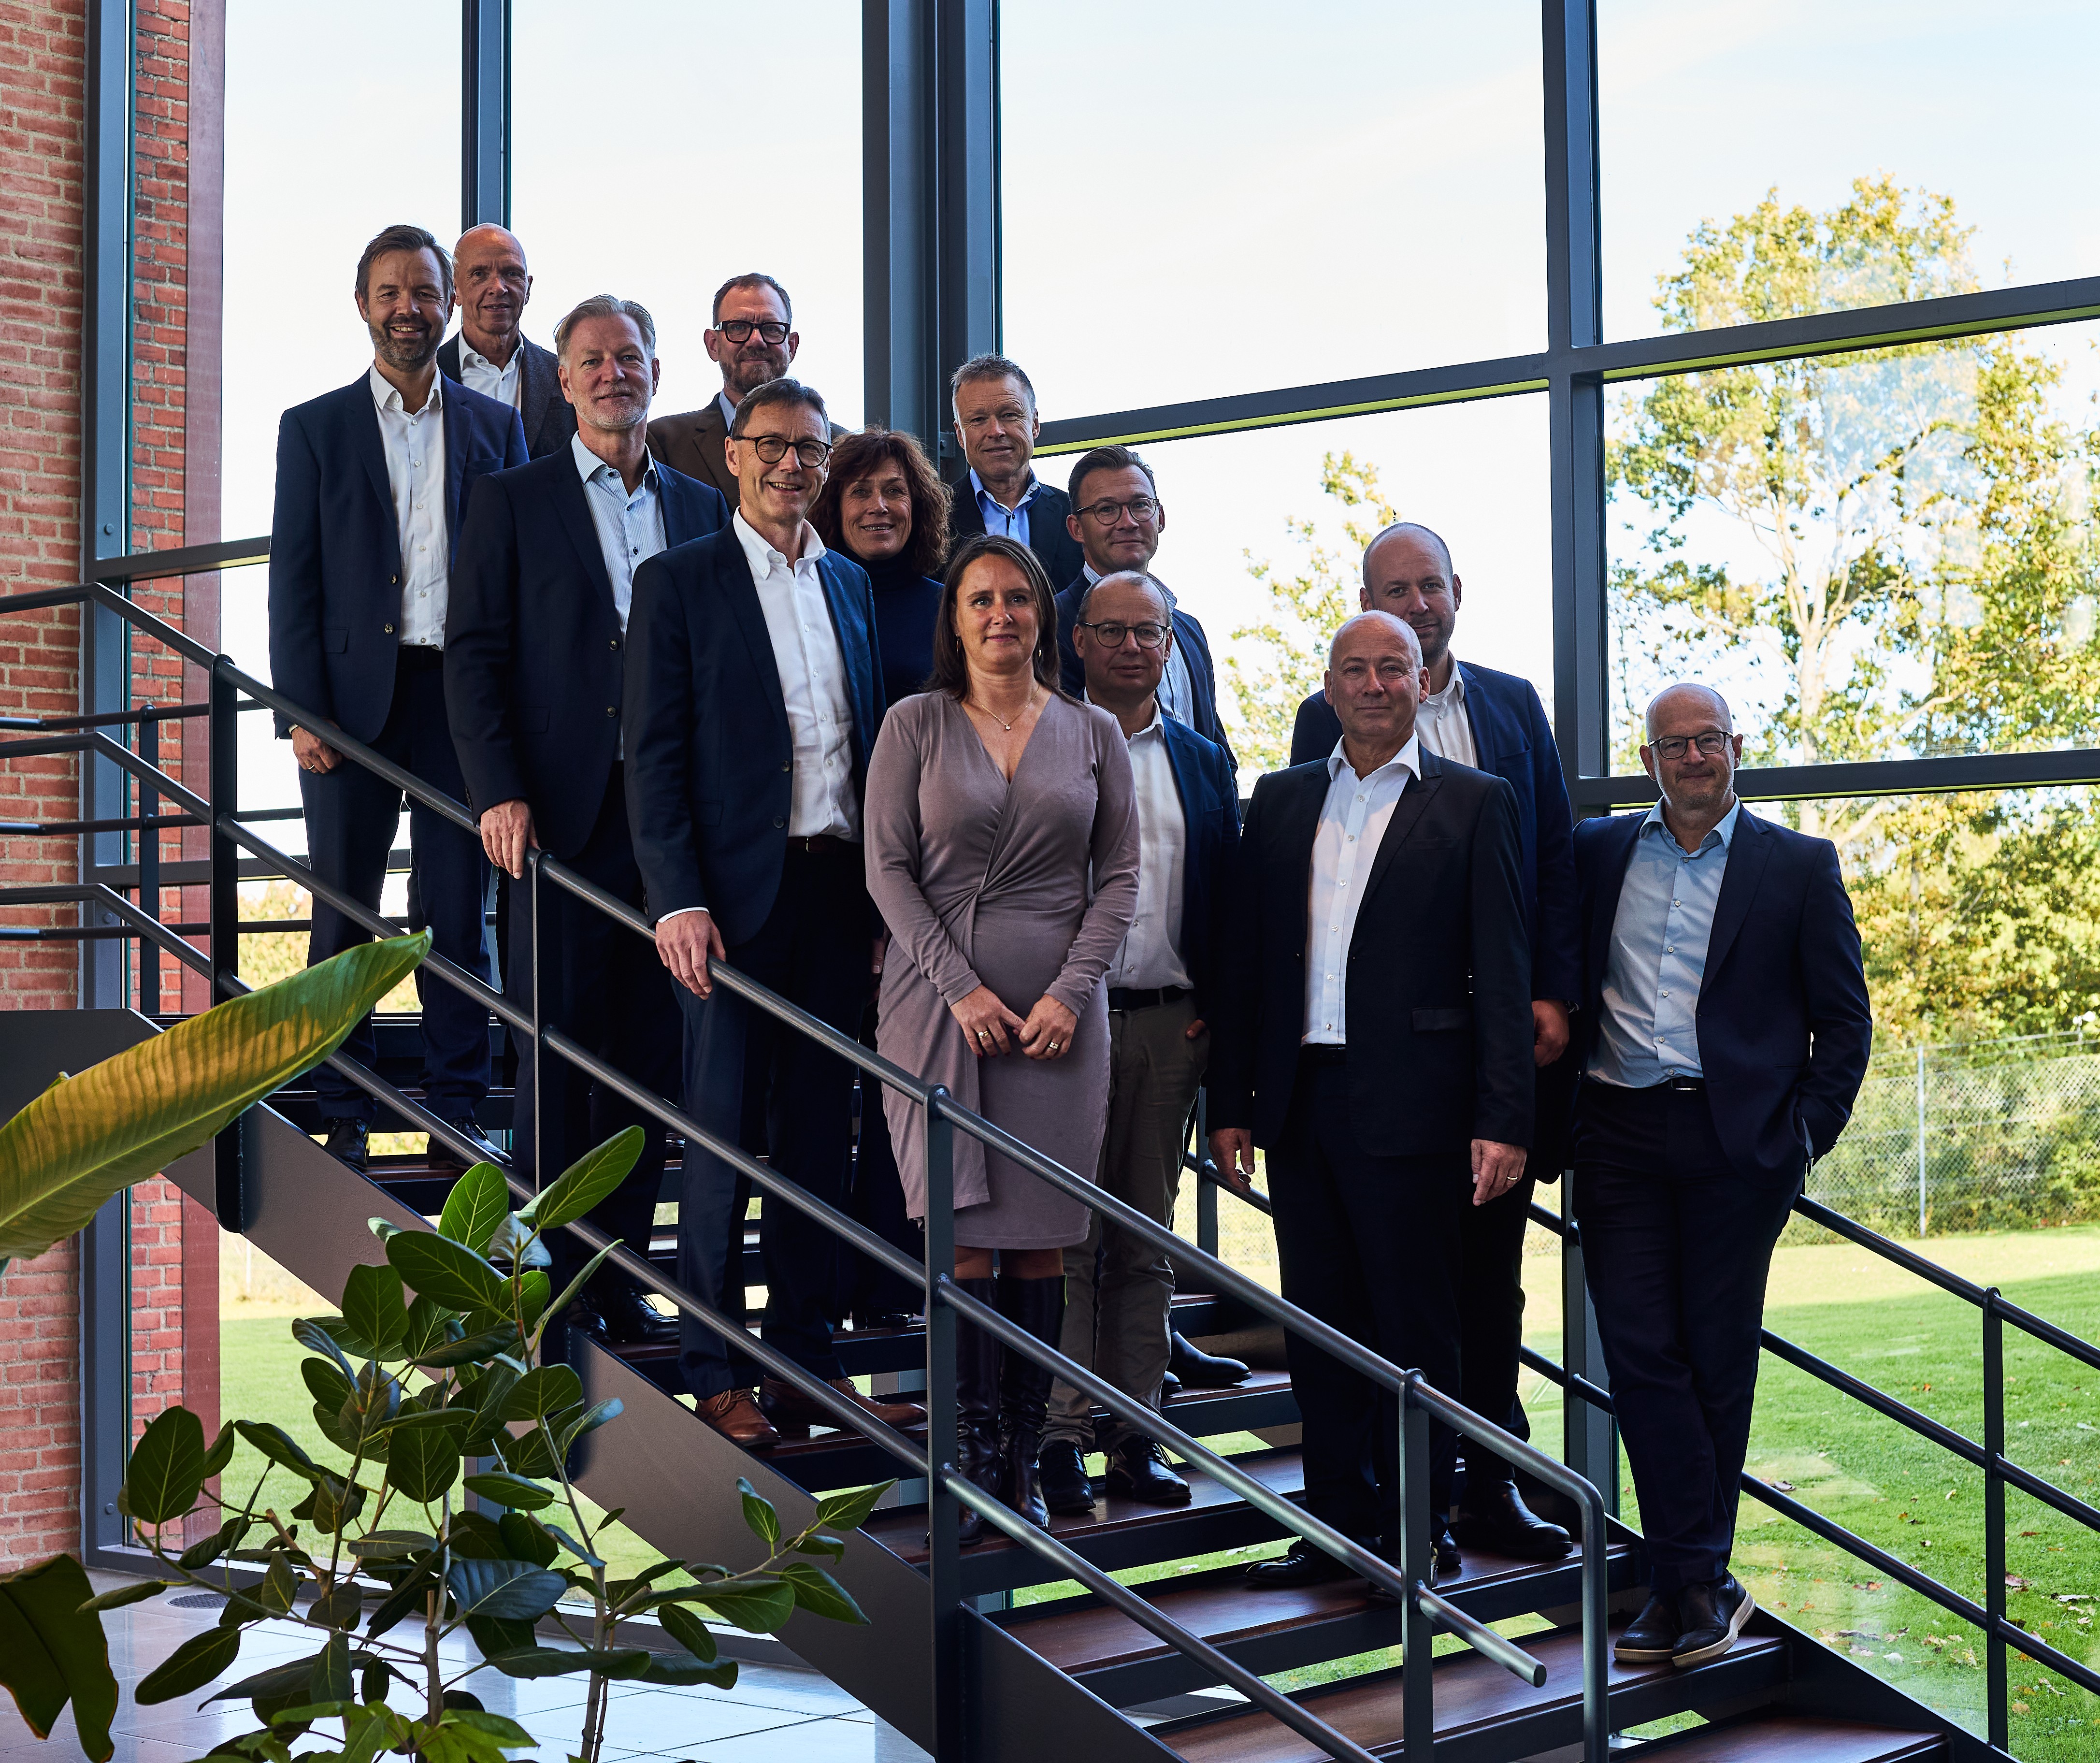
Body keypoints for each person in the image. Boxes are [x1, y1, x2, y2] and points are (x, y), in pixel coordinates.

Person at [624, 376, 924, 1450]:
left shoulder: (848, 584)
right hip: (727, 903)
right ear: (735, 455)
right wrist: (677, 898)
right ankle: (714, 1367)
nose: (792, 464)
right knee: (721, 1136)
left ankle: (806, 1364)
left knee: (815, 1139)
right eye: (773, 445)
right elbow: (652, 755)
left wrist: (888, 898)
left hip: (836, 894)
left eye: (810, 449)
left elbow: (868, 745)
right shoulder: (679, 580)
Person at [1208, 610, 1533, 1589]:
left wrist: (1504, 1117)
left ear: (1420, 684)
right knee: (1320, 1330)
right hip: (1302, 1104)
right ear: (1330, 686)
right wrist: (1231, 1101)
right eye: (1355, 668)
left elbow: (1504, 974)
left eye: (1393, 667)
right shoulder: (1280, 799)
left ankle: (1422, 1529)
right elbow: (1244, 960)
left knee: (1417, 1331)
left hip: (1418, 1110)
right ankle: (1336, 1527)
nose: (1375, 684)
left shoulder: (1475, 802)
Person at [1290, 521, 1581, 1560]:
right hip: (1374, 1063)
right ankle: (1380, 1501)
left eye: (1427, 587)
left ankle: (1489, 1484)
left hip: (1498, 1048)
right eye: (1392, 590)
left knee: (1486, 1287)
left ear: (1456, 591)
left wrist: (1551, 994)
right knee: (1379, 1295)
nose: (1414, 605)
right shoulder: (1320, 723)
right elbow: (1317, 887)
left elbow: (1551, 857)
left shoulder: (1512, 706)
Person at [445, 295, 729, 1347]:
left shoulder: (703, 506)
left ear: (656, 372)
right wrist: (496, 789)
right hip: (560, 817)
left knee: (654, 1057)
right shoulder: (511, 500)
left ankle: (618, 1269)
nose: (614, 373)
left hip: (674, 822)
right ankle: (546, 1272)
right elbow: (475, 654)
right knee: (557, 1048)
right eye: (593, 360)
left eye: (630, 357)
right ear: (561, 380)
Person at [1573, 684, 1870, 1669]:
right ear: (1648, 760)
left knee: (1714, 1354)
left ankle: (1686, 1583)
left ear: (1736, 747)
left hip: (1735, 1144)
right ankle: (1696, 1580)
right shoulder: (1596, 851)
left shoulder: (1797, 865)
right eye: (1674, 744)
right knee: (1639, 1351)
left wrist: (1799, 1140)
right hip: (1617, 1131)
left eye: (1708, 740)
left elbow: (1845, 1023)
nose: (1693, 757)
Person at [863, 534, 1139, 1541]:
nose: (999, 616)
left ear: (1042, 616)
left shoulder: (1093, 731)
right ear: (955, 619)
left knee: (1038, 1247)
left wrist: (1071, 992)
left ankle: (1020, 1465)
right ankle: (974, 1466)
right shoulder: (914, 723)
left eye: (1017, 598)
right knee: (965, 1241)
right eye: (979, 599)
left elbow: (1120, 876)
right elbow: (886, 869)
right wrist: (961, 989)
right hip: (937, 1015)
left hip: (1060, 1030)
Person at [268, 223, 526, 1174]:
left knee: (458, 915)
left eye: (423, 292)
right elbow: (293, 578)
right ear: (362, 305)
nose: (408, 309)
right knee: (343, 909)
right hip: (348, 708)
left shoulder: (495, 428)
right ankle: (342, 1101)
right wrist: (300, 711)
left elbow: (510, 582)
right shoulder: (314, 427)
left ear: (446, 304)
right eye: (390, 293)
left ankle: (458, 1111)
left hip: (460, 703)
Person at [1036, 572, 1239, 1517]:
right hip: (1062, 1027)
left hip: (1168, 1024)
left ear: (1170, 645)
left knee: (1146, 1240)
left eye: (1147, 632)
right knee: (1068, 1240)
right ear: (1077, 641)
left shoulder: (1201, 760)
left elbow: (1230, 889)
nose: (1130, 646)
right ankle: (1058, 1437)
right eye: (1111, 630)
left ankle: (1136, 1436)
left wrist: (1214, 1003)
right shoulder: (1038, 742)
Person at [808, 428, 952, 1329]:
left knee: (907, 1089)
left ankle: (891, 1282)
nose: (877, 507)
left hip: (932, 886)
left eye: (895, 491)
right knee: (825, 1091)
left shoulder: (948, 610)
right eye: (859, 491)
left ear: (919, 505)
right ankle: (824, 1284)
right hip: (831, 880)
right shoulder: (815, 594)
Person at [1050, 445, 1232, 763]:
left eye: (1140, 505)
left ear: (1160, 517)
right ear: (1076, 529)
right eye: (1107, 510)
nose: (1128, 522)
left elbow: (1215, 747)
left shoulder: (1188, 629)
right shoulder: (1050, 623)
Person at [646, 273, 843, 509]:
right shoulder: (664, 443)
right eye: (738, 327)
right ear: (713, 344)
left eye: (771, 328)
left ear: (791, 346)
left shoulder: (842, 447)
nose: (756, 341)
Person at [436, 224, 577, 459]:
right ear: (455, 290)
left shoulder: (564, 376)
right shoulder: (428, 376)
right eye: (479, 274)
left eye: (512, 274)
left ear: (528, 288)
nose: (498, 288)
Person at [944, 355, 1084, 587]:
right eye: (978, 419)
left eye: (1009, 415)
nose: (995, 431)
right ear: (960, 434)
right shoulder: (933, 517)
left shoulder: (1077, 515)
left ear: (1034, 424)